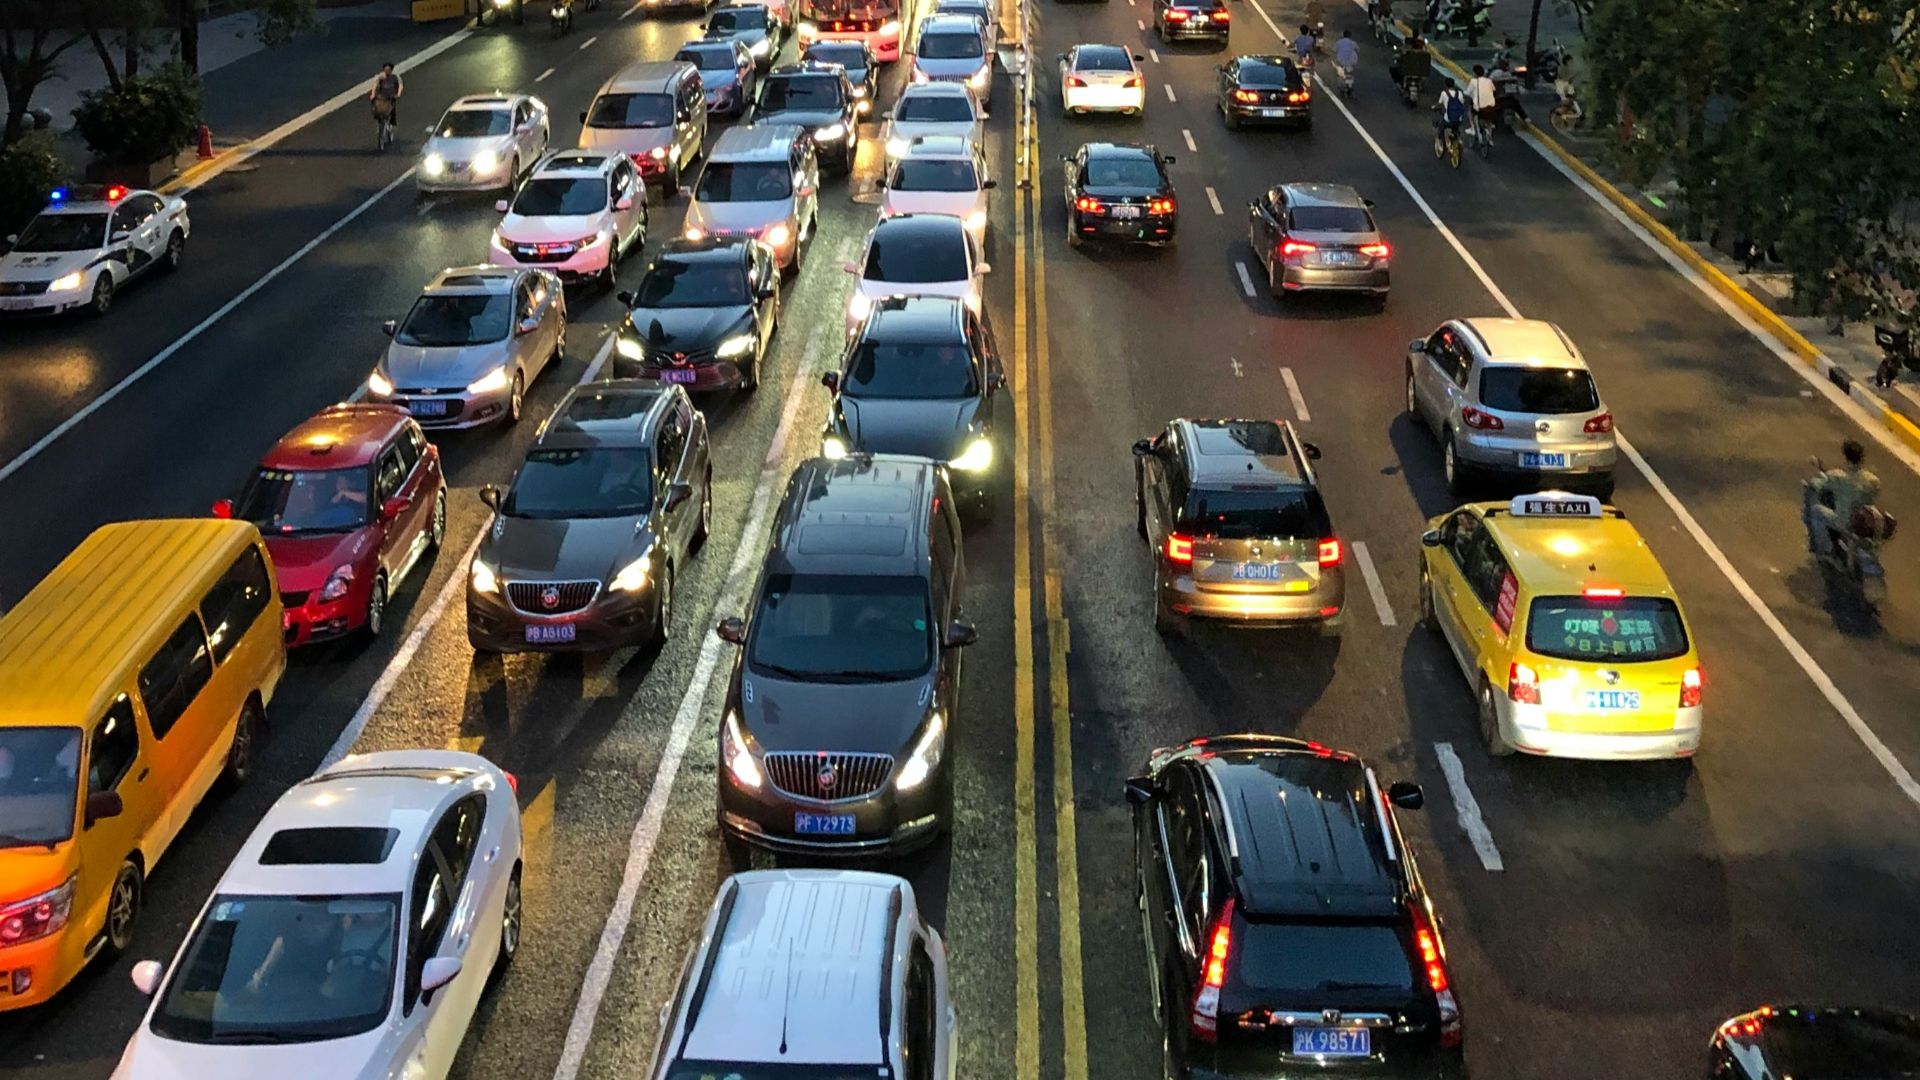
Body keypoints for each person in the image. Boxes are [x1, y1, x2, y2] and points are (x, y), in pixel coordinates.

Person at [1806, 439, 1881, 557]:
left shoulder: (1837, 477)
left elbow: (1820, 484)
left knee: (1816, 511)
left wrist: (1812, 483)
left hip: (1844, 521)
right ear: (1862, 459)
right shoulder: (1873, 480)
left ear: (1846, 458)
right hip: (1864, 521)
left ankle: (1827, 549)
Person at [1465, 64, 1499, 141]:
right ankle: (1489, 138)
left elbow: (1468, 93)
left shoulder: (1473, 81)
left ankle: (1472, 128)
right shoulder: (1489, 81)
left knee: (1470, 110)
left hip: (1480, 107)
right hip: (1491, 106)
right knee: (1489, 121)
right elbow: (1493, 90)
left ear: (1474, 73)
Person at [1433, 77, 1468, 150]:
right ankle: (1458, 138)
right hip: (1458, 119)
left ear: (1445, 85)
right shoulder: (1459, 93)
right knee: (1456, 127)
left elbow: (1439, 103)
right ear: (1454, 84)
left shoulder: (1444, 93)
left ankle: (1440, 144)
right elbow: (1462, 102)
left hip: (1448, 119)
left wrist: (1434, 107)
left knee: (1440, 127)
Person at [370, 62, 404, 128]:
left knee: (392, 109)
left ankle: (392, 122)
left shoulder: (395, 76)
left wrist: (399, 93)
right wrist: (373, 94)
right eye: (385, 70)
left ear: (391, 70)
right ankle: (380, 121)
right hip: (382, 96)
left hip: (391, 96)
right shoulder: (380, 76)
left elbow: (400, 85)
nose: (387, 71)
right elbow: (375, 84)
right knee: (379, 108)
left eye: (388, 70)